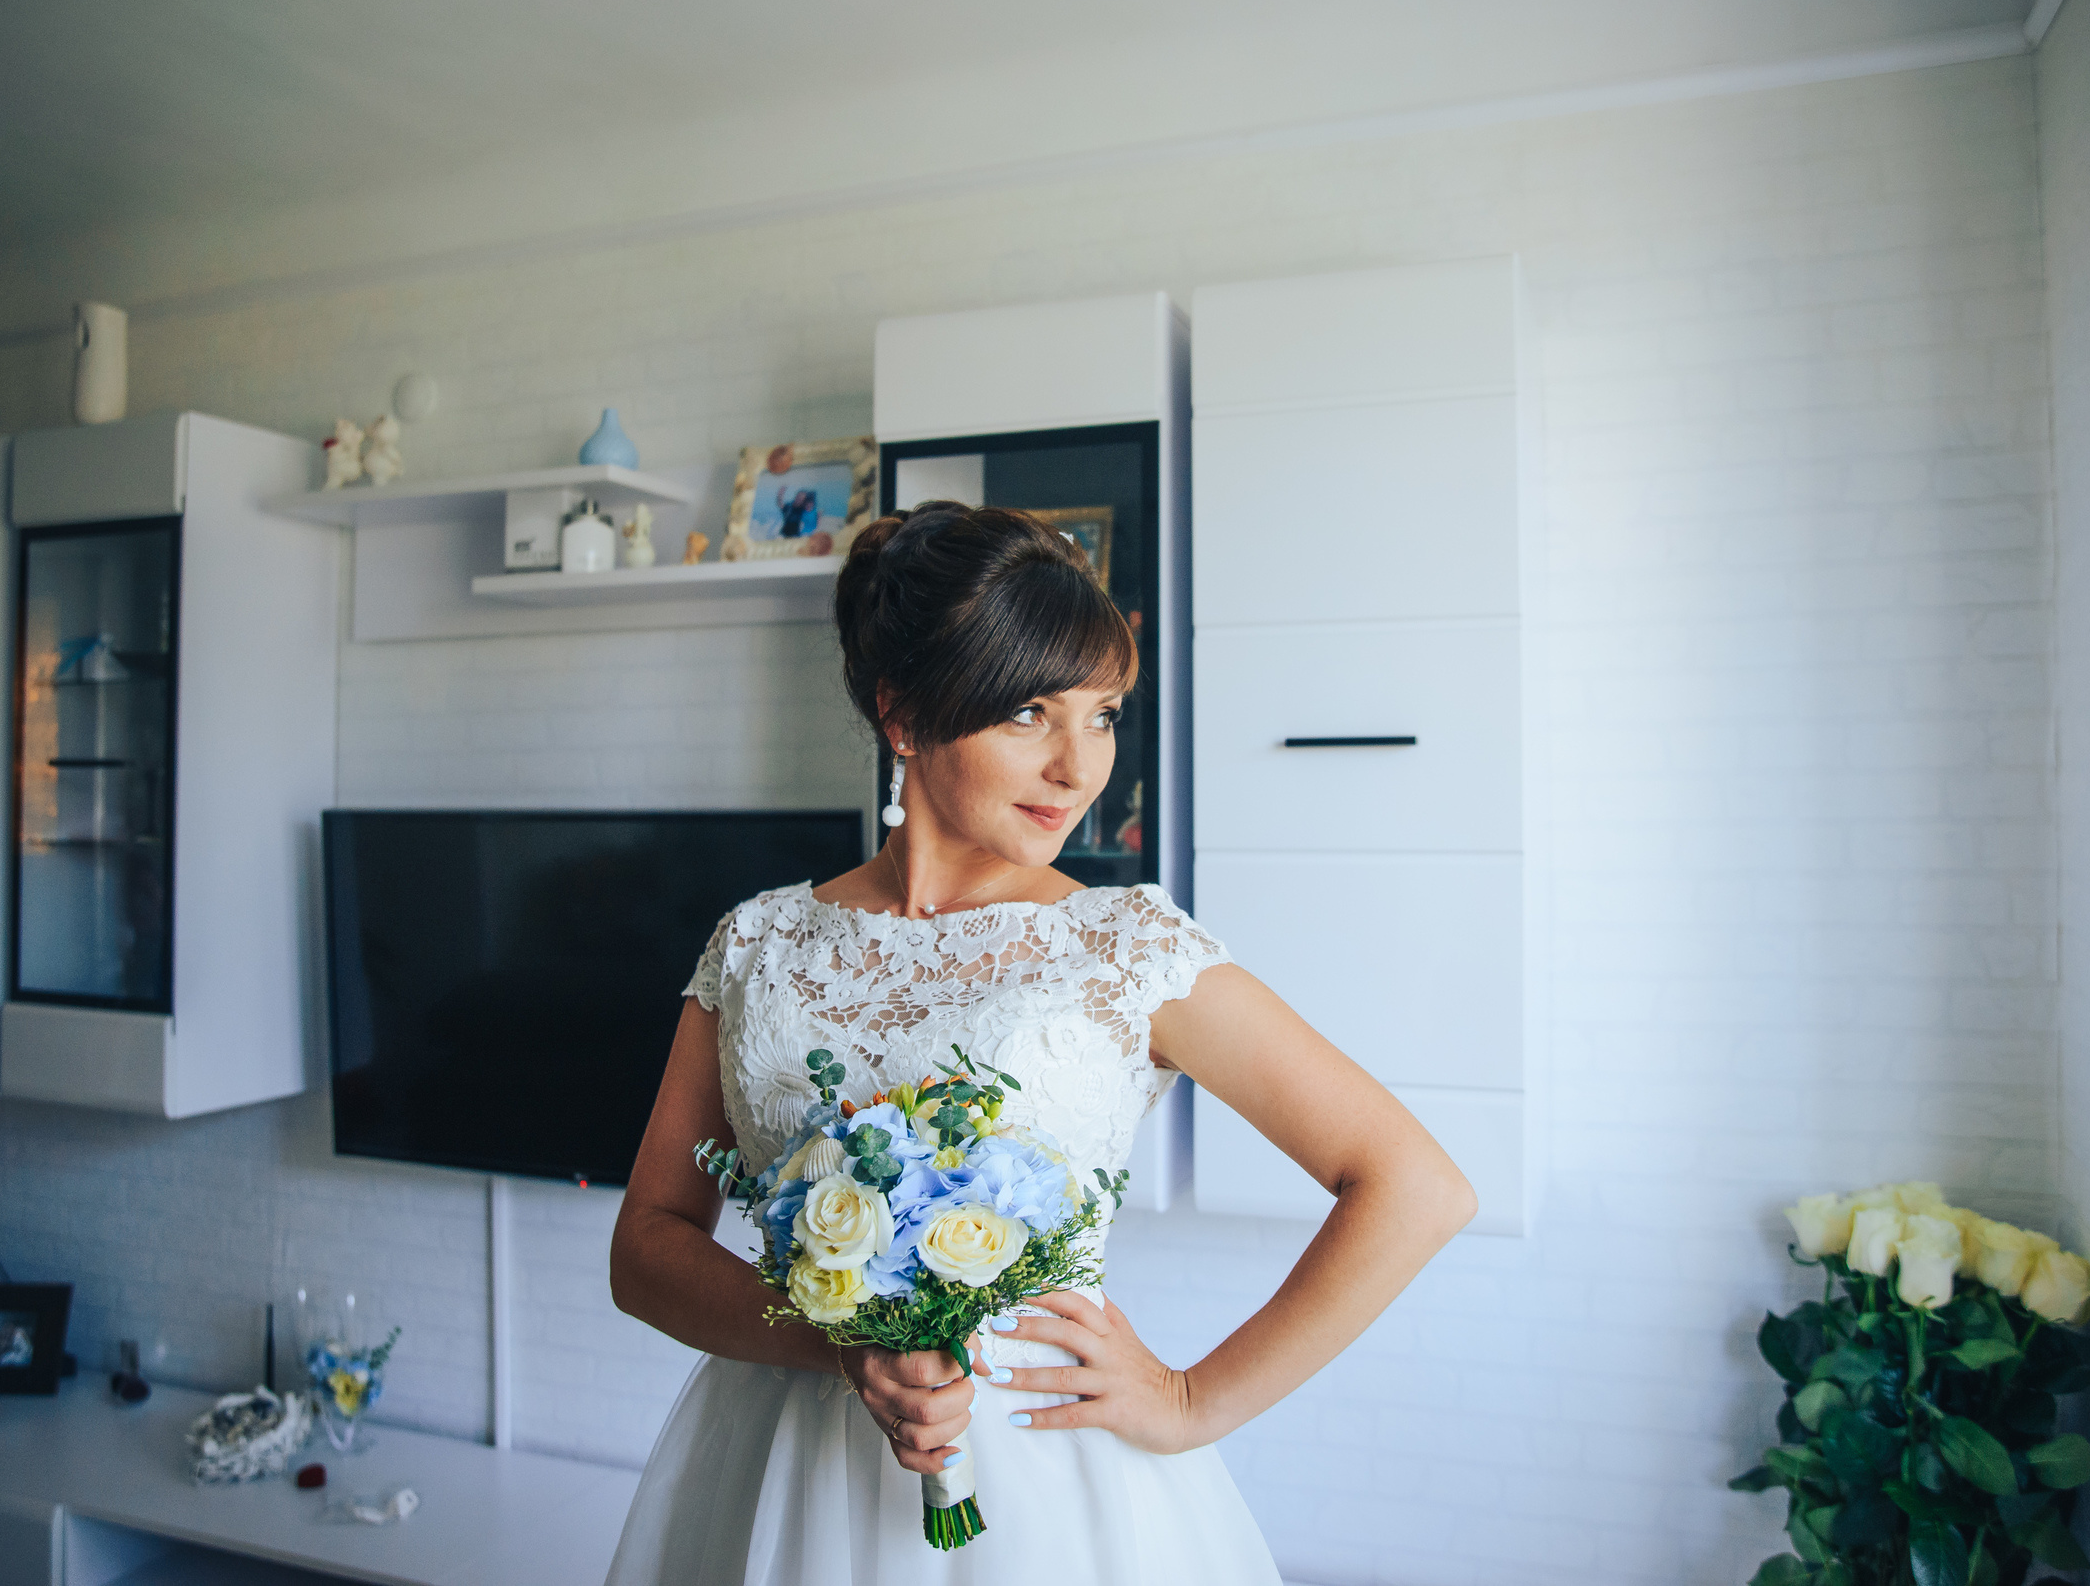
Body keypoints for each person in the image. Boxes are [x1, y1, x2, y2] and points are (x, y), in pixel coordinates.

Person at [606, 503, 1475, 1584]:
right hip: (782, 1477)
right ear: (902, 712)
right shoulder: (758, 943)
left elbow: (1416, 1185)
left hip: (1047, 1484)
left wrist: (1191, 1399)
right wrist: (839, 1342)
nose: (1079, 766)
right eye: (1030, 711)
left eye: (1102, 714)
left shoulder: (1124, 947)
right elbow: (646, 1244)